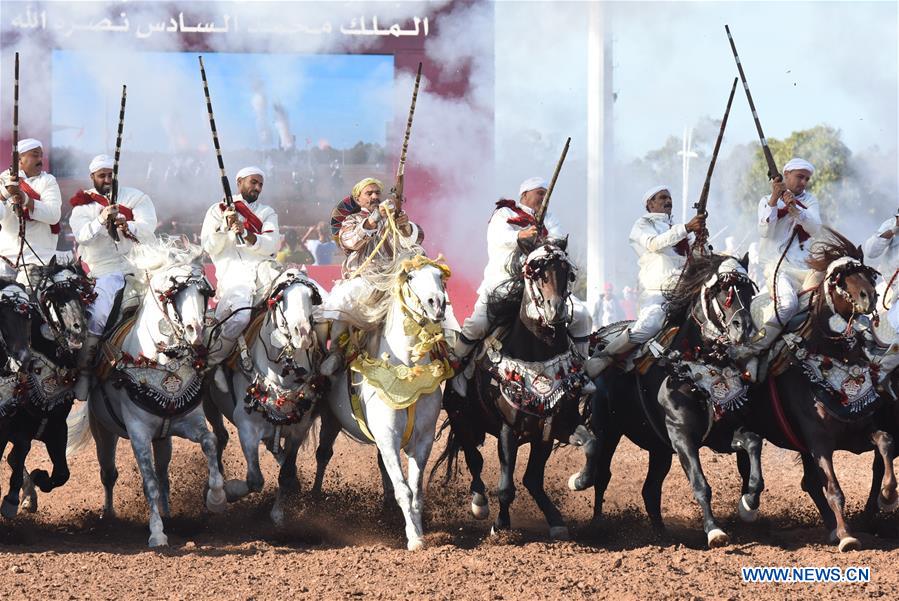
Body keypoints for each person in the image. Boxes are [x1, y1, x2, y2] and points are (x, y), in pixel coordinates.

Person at [452, 177, 593, 394]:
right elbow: (498, 238)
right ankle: (458, 369)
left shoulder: (550, 217)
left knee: (582, 315)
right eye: (540, 193)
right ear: (525, 195)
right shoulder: (505, 213)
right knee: (478, 323)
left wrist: (542, 241)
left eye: (546, 194)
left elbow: (556, 242)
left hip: (539, 284)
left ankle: (581, 370)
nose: (543, 198)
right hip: (503, 282)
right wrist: (521, 235)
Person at [586, 185, 705, 375]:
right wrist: (687, 228)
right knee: (651, 324)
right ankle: (605, 357)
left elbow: (696, 260)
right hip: (656, 291)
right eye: (662, 197)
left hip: (685, 291)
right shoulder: (643, 225)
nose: (668, 201)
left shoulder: (677, 229)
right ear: (650, 204)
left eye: (669, 198)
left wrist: (700, 240)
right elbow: (654, 244)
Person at [69, 154, 158, 400]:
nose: (107, 180)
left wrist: (127, 225)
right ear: (93, 178)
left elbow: (149, 227)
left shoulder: (136, 198)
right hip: (105, 271)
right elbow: (82, 236)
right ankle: (86, 370)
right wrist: (100, 220)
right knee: (98, 315)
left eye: (111, 175)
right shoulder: (83, 206)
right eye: (102, 176)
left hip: (138, 266)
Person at [319, 177, 423, 373]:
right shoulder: (352, 220)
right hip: (365, 278)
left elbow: (416, 241)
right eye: (369, 193)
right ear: (358, 199)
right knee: (341, 299)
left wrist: (405, 226)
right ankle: (335, 353)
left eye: (377, 193)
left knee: (429, 291)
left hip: (394, 277)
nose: (375, 196)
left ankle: (444, 348)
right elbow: (349, 241)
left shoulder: (394, 218)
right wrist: (375, 217)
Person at [201, 166, 279, 366]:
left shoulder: (267, 212)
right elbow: (209, 246)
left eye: (260, 184)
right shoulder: (217, 210)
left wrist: (246, 233)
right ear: (239, 183)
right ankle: (213, 361)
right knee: (240, 318)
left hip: (264, 271)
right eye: (253, 182)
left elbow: (271, 244)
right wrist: (224, 227)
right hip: (234, 276)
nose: (258, 187)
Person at [750, 158, 822, 350]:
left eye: (807, 179)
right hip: (776, 267)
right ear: (786, 175)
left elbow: (815, 227)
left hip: (804, 268)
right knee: (788, 305)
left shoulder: (810, 201)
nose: (804, 182)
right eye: (800, 177)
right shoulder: (766, 200)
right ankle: (758, 346)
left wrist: (796, 208)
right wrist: (775, 199)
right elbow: (765, 231)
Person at [0, 138, 62, 282]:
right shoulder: (2, 180)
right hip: (4, 259)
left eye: (41, 155)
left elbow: (53, 215)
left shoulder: (48, 181)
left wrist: (26, 199)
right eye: (35, 155)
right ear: (19, 159)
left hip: (38, 260)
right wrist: (5, 194)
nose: (40, 159)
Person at [863, 210, 899, 330]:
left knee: (894, 325)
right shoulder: (891, 224)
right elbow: (870, 252)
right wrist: (893, 230)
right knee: (864, 323)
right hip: (889, 287)